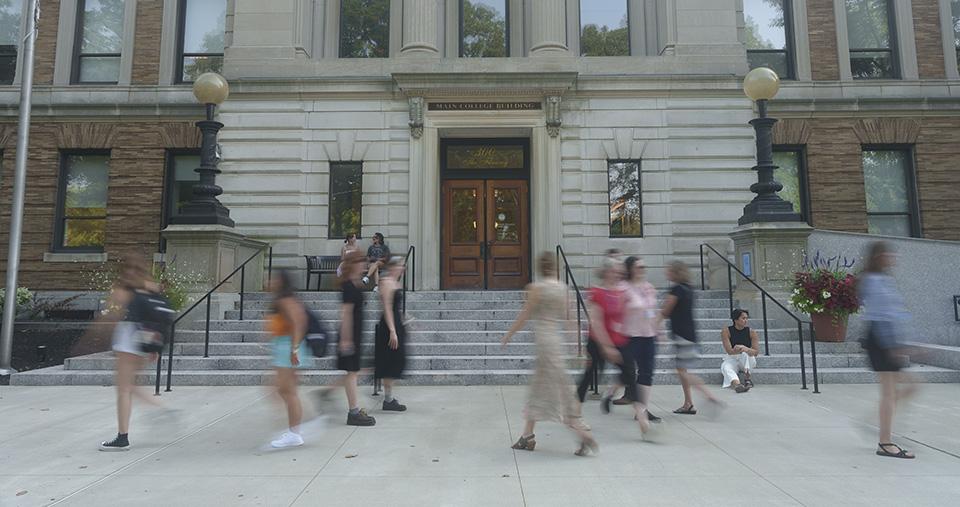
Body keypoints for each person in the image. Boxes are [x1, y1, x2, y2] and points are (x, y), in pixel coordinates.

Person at [502, 253, 598, 456]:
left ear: (539, 267)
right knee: (540, 388)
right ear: (555, 267)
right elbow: (570, 320)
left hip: (544, 343)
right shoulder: (563, 288)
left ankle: (582, 434)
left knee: (559, 391)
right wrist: (578, 345)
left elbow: (525, 315)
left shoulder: (536, 288)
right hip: (555, 341)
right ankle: (527, 435)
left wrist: (508, 335)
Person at [98, 256, 166, 451]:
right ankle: (160, 409)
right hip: (144, 339)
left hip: (128, 338)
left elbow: (113, 311)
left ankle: (123, 437)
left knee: (123, 390)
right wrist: (155, 348)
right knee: (131, 386)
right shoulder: (151, 287)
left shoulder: (125, 289)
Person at [858, 241, 918, 459]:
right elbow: (880, 315)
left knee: (909, 387)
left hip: (887, 339)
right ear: (879, 257)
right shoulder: (874, 281)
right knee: (891, 392)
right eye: (889, 254)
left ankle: (879, 422)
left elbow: (895, 313)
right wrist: (892, 345)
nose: (894, 257)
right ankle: (885, 442)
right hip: (882, 340)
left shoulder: (882, 279)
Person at [659, 260, 722, 415]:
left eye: (669, 270)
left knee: (681, 372)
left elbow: (665, 311)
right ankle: (688, 404)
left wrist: (653, 324)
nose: (666, 273)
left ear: (676, 272)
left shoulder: (677, 289)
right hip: (689, 334)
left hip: (682, 335)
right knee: (682, 369)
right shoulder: (688, 288)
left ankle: (709, 397)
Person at [576, 258, 631, 420]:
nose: (619, 274)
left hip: (617, 339)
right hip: (596, 341)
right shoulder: (597, 292)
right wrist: (607, 347)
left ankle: (640, 417)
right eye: (615, 271)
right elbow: (596, 322)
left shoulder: (621, 291)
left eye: (620, 272)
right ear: (607, 272)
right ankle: (575, 413)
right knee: (589, 376)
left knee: (629, 373)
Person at [613, 256, 662, 428]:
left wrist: (658, 330)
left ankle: (643, 410)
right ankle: (612, 392)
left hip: (649, 335)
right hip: (630, 336)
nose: (642, 270)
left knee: (646, 372)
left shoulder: (648, 287)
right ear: (630, 269)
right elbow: (615, 312)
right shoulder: (623, 288)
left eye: (643, 267)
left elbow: (653, 310)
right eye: (639, 267)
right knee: (628, 373)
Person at [266, 269, 312, 448]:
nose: (270, 282)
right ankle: (296, 428)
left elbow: (299, 323)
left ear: (281, 281)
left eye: (274, 279)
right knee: (284, 390)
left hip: (288, 348)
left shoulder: (286, 300)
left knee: (288, 391)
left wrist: (294, 349)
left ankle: (295, 433)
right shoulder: (282, 300)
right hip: (283, 347)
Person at [340, 250, 377, 426]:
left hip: (356, 333)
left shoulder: (356, 283)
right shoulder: (348, 285)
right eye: (361, 261)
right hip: (350, 334)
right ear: (353, 264)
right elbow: (346, 313)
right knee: (352, 373)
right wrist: (346, 339)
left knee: (353, 372)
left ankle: (354, 410)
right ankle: (353, 413)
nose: (364, 264)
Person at [374, 257, 408, 412]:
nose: (403, 268)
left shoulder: (395, 282)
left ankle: (389, 398)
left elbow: (396, 307)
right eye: (400, 265)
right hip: (389, 325)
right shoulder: (386, 282)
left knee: (396, 360)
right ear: (393, 267)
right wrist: (392, 331)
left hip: (396, 323)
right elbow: (387, 308)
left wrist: (406, 319)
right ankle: (388, 399)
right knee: (390, 361)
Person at [720, 309, 760, 393]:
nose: (746, 320)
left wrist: (745, 348)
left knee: (745, 354)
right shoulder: (726, 331)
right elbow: (729, 351)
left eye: (746, 318)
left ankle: (747, 379)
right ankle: (737, 385)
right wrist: (737, 350)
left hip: (748, 359)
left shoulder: (752, 332)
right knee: (725, 367)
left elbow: (756, 352)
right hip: (733, 358)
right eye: (743, 318)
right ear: (735, 320)